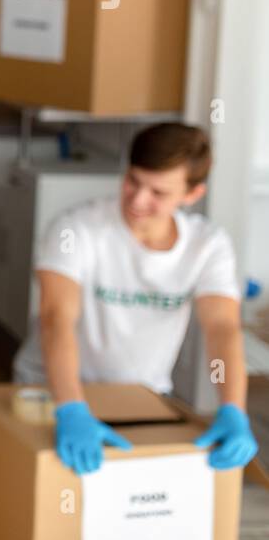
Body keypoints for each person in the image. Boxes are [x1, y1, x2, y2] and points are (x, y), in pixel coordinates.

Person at [14, 123, 258, 474]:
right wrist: (70, 407)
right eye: (133, 181)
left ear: (192, 194)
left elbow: (220, 327)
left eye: (158, 192)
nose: (138, 199)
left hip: (143, 400)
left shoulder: (208, 246)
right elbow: (56, 318)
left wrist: (232, 407)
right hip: (50, 396)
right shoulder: (76, 228)